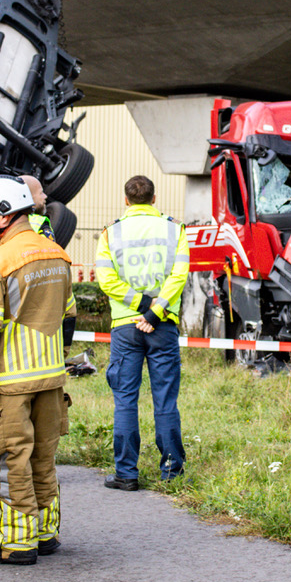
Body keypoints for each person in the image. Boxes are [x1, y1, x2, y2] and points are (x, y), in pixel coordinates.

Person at [0, 174, 76, 565]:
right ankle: (45, 532)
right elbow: (68, 316)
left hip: (11, 383)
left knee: (11, 460)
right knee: (43, 457)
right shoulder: (56, 254)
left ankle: (17, 543)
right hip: (51, 377)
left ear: (2, 213)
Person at [96, 175, 189, 490]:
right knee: (165, 400)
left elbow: (106, 281)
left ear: (126, 200)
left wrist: (139, 305)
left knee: (125, 400)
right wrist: (154, 310)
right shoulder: (174, 229)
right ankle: (172, 472)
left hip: (125, 327)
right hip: (161, 325)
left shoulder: (111, 233)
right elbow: (179, 276)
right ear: (154, 198)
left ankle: (126, 474)